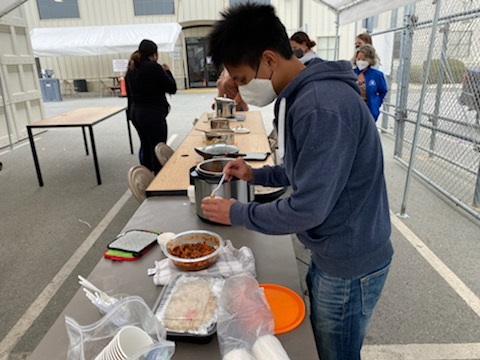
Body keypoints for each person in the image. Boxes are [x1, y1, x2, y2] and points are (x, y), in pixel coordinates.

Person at [202, 3, 393, 359]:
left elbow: (307, 209)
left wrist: (237, 213)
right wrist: (255, 174)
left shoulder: (321, 105)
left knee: (335, 353)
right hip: (333, 247)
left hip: (350, 259)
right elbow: (300, 168)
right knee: (320, 344)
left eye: (243, 80)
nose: (243, 91)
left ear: (269, 59)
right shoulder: (299, 94)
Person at [125, 39, 177, 174]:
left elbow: (130, 94)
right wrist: (167, 72)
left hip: (136, 113)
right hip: (152, 114)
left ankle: (146, 176)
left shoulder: (131, 68)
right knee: (157, 148)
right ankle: (159, 181)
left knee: (145, 146)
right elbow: (171, 88)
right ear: (154, 54)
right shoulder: (153, 67)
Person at [354, 44, 388, 122]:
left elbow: (383, 91)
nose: (360, 62)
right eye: (359, 59)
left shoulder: (377, 75)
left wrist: (376, 104)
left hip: (369, 111)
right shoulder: (351, 73)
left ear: (369, 60)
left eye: (364, 59)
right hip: (354, 110)